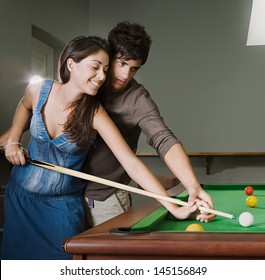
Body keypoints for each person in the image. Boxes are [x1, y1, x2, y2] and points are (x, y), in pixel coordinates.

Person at [1, 35, 199, 260]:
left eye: (105, 69)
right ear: (71, 64)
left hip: (61, 207)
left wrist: (172, 206)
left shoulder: (95, 113)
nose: (102, 76)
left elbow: (132, 164)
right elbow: (24, 107)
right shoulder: (38, 89)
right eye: (96, 67)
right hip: (20, 198)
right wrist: (14, 140)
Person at [81, 21, 215, 227]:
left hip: (107, 200)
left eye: (134, 69)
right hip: (67, 197)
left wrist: (192, 185)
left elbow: (164, 139)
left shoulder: (137, 99)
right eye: (122, 63)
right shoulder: (86, 83)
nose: (125, 75)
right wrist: (13, 135)